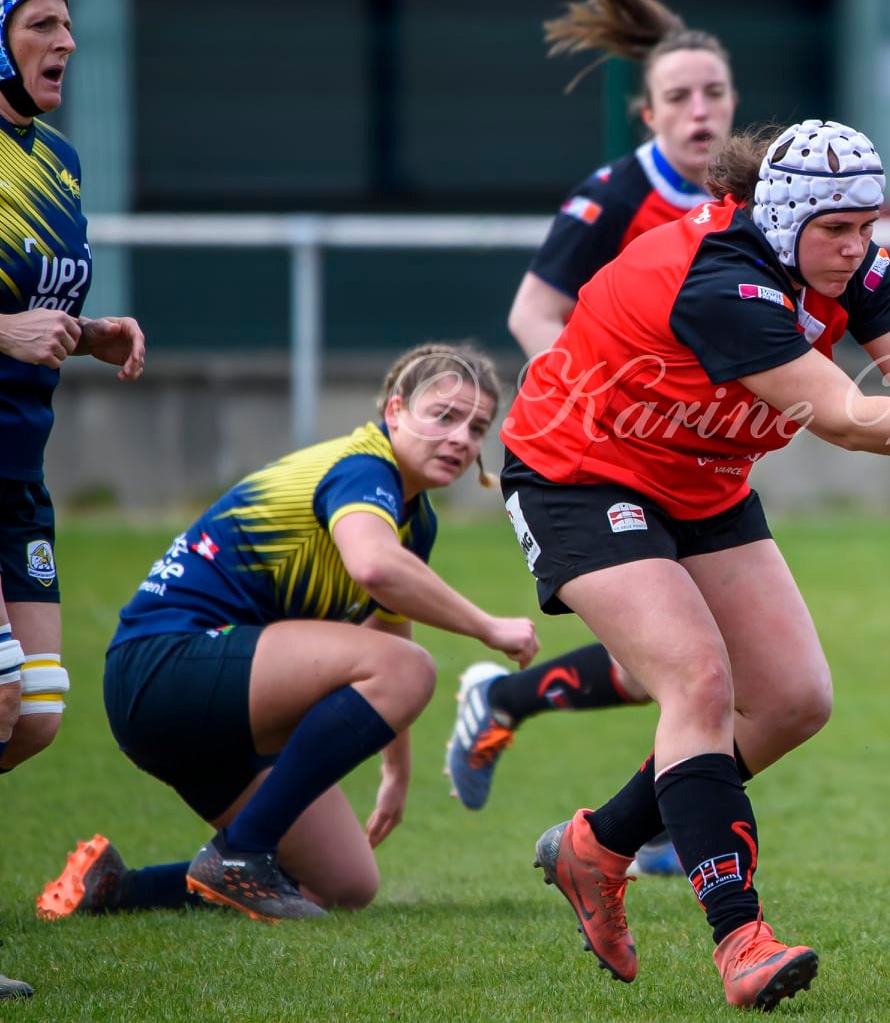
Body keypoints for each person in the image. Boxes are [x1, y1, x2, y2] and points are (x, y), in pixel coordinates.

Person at [499, 119, 890, 1010]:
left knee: (795, 700)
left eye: (867, 226)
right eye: (836, 230)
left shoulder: (859, 268)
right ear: (780, 218)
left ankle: (596, 847)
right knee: (697, 682)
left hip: (703, 480)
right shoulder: (721, 280)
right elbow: (844, 417)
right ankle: (741, 939)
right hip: (577, 471)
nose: (857, 248)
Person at [35, 344, 540, 924]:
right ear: (396, 410)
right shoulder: (363, 468)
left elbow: (390, 626)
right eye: (443, 415)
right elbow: (374, 568)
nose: (461, 439)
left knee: (342, 881)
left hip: (215, 702)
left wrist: (397, 771)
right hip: (163, 668)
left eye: (477, 427)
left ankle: (115, 888)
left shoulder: (414, 518)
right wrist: (489, 627)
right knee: (411, 667)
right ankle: (241, 855)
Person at [447, 0, 738, 875]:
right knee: (693, 663)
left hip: (693, 462)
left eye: (716, 93)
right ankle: (656, 829)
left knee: (702, 663)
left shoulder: (743, 203)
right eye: (680, 97)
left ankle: (518, 712)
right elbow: (533, 312)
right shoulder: (617, 194)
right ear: (648, 114)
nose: (701, 111)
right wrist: (609, 398)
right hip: (602, 456)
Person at [1, 0, 146, 999]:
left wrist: (86, 333)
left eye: (66, 23)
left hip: (19, 467)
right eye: (41, 24)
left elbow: (31, 308)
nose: (66, 42)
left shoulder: (57, 161)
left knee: (37, 711)